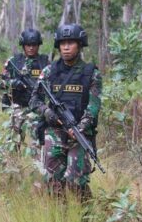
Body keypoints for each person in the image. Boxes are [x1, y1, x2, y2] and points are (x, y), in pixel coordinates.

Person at [29, 24, 102, 200]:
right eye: (63, 43)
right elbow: (34, 100)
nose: (66, 47)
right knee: (53, 180)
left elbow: (93, 107)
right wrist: (47, 112)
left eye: (71, 43)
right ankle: (59, 215)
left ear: (80, 45)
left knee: (76, 181)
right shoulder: (49, 71)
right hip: (54, 132)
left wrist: (80, 127)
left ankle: (86, 215)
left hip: (80, 134)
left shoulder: (91, 73)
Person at [0, 28, 49, 157]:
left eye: (34, 45)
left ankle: (38, 169)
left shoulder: (45, 63)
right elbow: (0, 84)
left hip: (37, 108)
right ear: (23, 45)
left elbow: (53, 85)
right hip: (17, 107)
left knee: (38, 140)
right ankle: (10, 168)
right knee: (12, 141)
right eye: (28, 45)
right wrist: (13, 83)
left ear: (39, 45)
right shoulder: (13, 62)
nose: (31, 48)